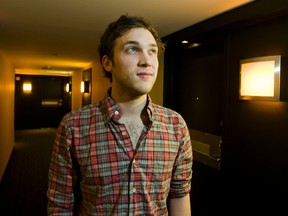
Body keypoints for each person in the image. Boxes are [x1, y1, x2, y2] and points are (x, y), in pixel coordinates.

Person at [47, 14, 193, 215]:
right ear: (107, 63)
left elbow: (180, 195)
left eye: (152, 51)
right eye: (133, 49)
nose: (146, 61)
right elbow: (60, 204)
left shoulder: (176, 126)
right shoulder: (74, 126)